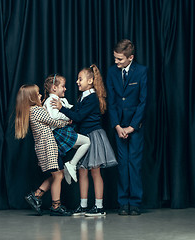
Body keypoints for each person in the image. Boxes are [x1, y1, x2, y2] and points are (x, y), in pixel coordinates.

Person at [52, 64, 117, 217]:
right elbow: (78, 116)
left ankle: (99, 207)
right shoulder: (83, 96)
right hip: (85, 136)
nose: (77, 82)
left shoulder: (93, 98)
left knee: (95, 171)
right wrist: (69, 120)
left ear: (90, 81)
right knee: (82, 172)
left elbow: (79, 116)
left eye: (80, 79)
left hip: (94, 136)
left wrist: (62, 108)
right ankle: (83, 206)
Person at [15, 84, 72, 216]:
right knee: (58, 175)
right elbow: (53, 121)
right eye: (38, 93)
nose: (41, 95)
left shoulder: (31, 110)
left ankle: (36, 195)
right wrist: (67, 121)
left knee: (58, 173)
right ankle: (56, 206)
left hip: (44, 147)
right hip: (48, 147)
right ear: (31, 97)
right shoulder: (36, 110)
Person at [106, 39, 147, 215]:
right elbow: (112, 101)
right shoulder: (112, 72)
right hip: (119, 127)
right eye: (115, 58)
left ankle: (135, 202)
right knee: (123, 164)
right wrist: (116, 126)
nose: (116, 62)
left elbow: (143, 102)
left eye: (120, 59)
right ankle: (123, 202)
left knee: (134, 164)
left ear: (130, 57)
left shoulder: (142, 72)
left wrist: (132, 127)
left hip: (135, 127)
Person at [43, 74, 91, 184]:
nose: (65, 89)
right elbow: (54, 116)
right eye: (63, 86)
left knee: (83, 145)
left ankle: (69, 169)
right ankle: (71, 165)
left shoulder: (59, 99)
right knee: (87, 142)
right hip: (59, 132)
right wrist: (68, 116)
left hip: (63, 130)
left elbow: (70, 109)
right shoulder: (51, 100)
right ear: (54, 88)